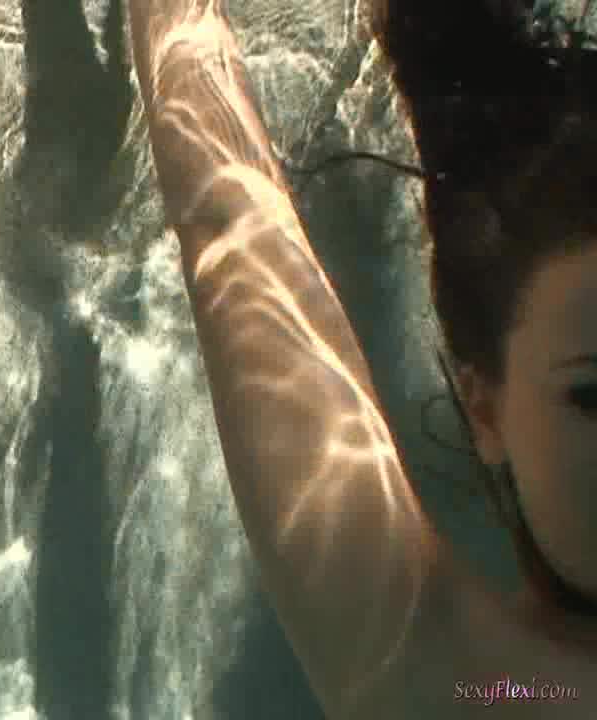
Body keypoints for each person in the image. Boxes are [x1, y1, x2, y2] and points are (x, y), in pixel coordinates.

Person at [128, 0, 594, 717]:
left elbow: (227, 218)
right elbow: (226, 220)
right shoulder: (473, 679)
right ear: (483, 411)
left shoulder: (448, 672)